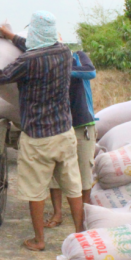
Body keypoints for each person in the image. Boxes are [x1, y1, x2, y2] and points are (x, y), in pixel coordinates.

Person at [0, 11, 83, 251]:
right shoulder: (64, 52)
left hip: (38, 137)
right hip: (64, 132)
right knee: (72, 186)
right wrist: (11, 37)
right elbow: (35, 46)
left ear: (35, 33)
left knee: (36, 191)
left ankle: (39, 241)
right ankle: (82, 235)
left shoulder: (28, 61)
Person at [43, 49, 97, 228]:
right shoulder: (46, 64)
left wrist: (60, 68)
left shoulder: (78, 56)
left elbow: (90, 71)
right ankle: (57, 213)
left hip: (82, 125)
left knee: (84, 172)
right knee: (56, 172)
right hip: (58, 125)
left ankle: (85, 215)